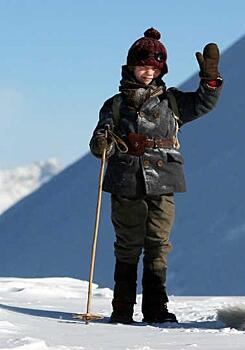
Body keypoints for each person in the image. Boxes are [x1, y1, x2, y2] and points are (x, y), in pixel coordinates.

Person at [89, 27, 222, 324]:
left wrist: (210, 80)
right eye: (142, 66)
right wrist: (102, 143)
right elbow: (100, 139)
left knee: (158, 244)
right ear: (131, 67)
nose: (147, 72)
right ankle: (122, 309)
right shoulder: (115, 105)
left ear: (161, 70)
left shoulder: (172, 102)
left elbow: (203, 103)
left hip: (163, 182)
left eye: (153, 67)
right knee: (128, 243)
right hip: (126, 181)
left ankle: (155, 308)